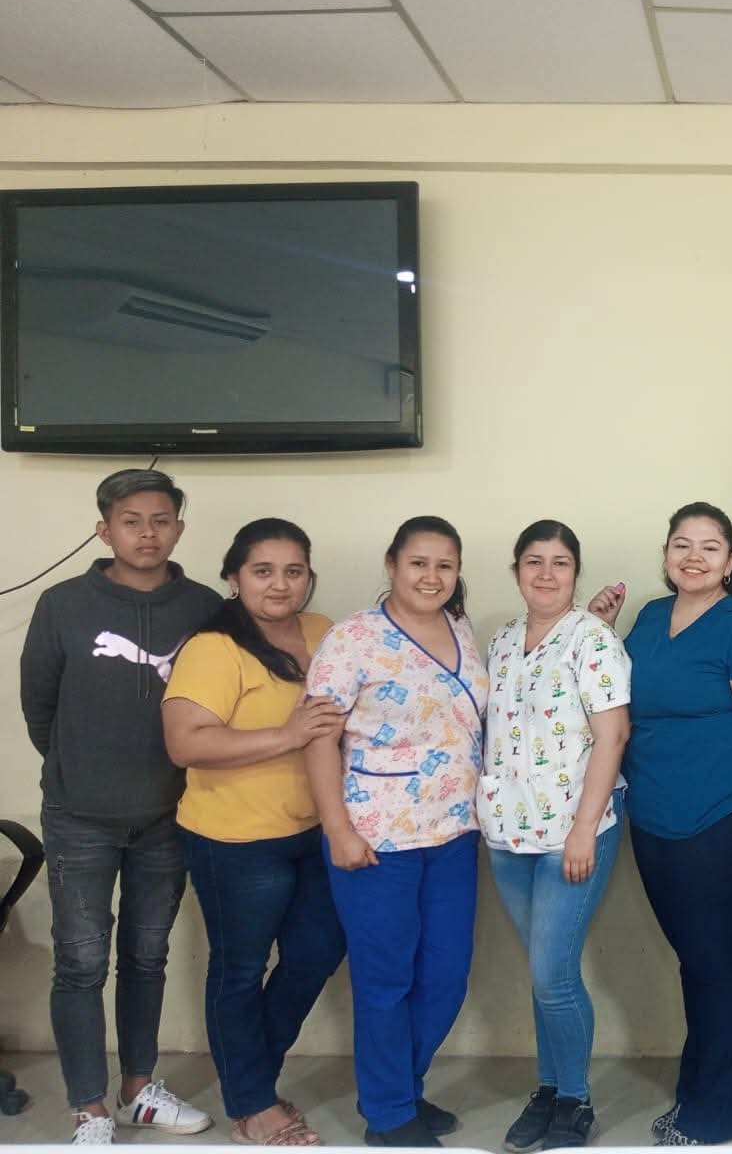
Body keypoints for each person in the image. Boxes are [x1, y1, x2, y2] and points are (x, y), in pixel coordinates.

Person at [19, 468, 218, 1145]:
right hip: (79, 818)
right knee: (79, 962)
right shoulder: (62, 604)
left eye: (161, 521)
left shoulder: (205, 607)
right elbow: (40, 707)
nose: (147, 534)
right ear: (104, 531)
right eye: (131, 522)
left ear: (179, 529)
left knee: (146, 955)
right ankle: (89, 1108)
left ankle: (139, 1091)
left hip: (169, 815)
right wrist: (83, 770)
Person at [303, 516, 489, 1148]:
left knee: (446, 975)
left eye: (445, 565)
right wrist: (337, 829)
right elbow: (318, 739)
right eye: (418, 563)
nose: (431, 576)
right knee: (386, 980)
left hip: (453, 832)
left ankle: (399, 1087)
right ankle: (387, 1114)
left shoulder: (460, 629)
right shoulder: (352, 639)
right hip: (375, 839)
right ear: (392, 565)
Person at [162, 518, 348, 1146]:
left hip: (316, 831)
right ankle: (252, 1102)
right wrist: (288, 735)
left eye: (294, 571)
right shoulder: (213, 648)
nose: (279, 584)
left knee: (316, 954)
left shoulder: (323, 633)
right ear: (233, 579)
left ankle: (253, 1079)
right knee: (239, 971)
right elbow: (185, 742)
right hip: (234, 841)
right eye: (263, 571)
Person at [615, 502, 732, 1146]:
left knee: (714, 967)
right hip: (651, 819)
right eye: (682, 544)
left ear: (730, 561)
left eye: (710, 547)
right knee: (695, 963)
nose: (694, 557)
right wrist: (599, 626)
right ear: (666, 554)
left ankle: (717, 1123)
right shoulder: (649, 618)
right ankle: (695, 1097)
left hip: (716, 822)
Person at [482, 521, 631, 1152]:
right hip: (508, 831)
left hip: (574, 829)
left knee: (553, 974)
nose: (546, 574)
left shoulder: (592, 639)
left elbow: (613, 735)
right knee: (543, 973)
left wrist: (582, 832)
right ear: (516, 570)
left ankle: (575, 1099)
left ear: (576, 572)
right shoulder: (502, 639)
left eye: (560, 562)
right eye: (534, 561)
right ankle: (548, 1089)